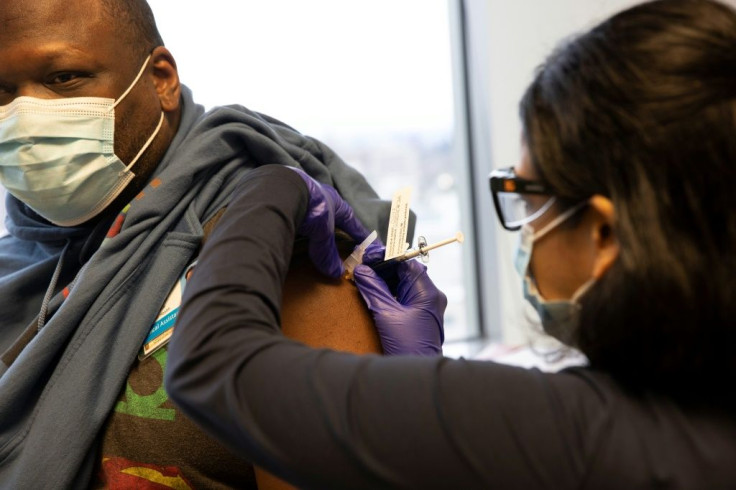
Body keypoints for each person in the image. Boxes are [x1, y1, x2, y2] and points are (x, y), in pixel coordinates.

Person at [166, 0, 736, 488]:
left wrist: (271, 185)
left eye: (530, 195)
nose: (527, 226)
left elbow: (212, 365)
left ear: (605, 233)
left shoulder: (570, 431)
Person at [0, 0, 395, 488]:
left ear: (161, 78)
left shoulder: (274, 239)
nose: (24, 117)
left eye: (64, 78)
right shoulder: (19, 260)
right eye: (0, 91)